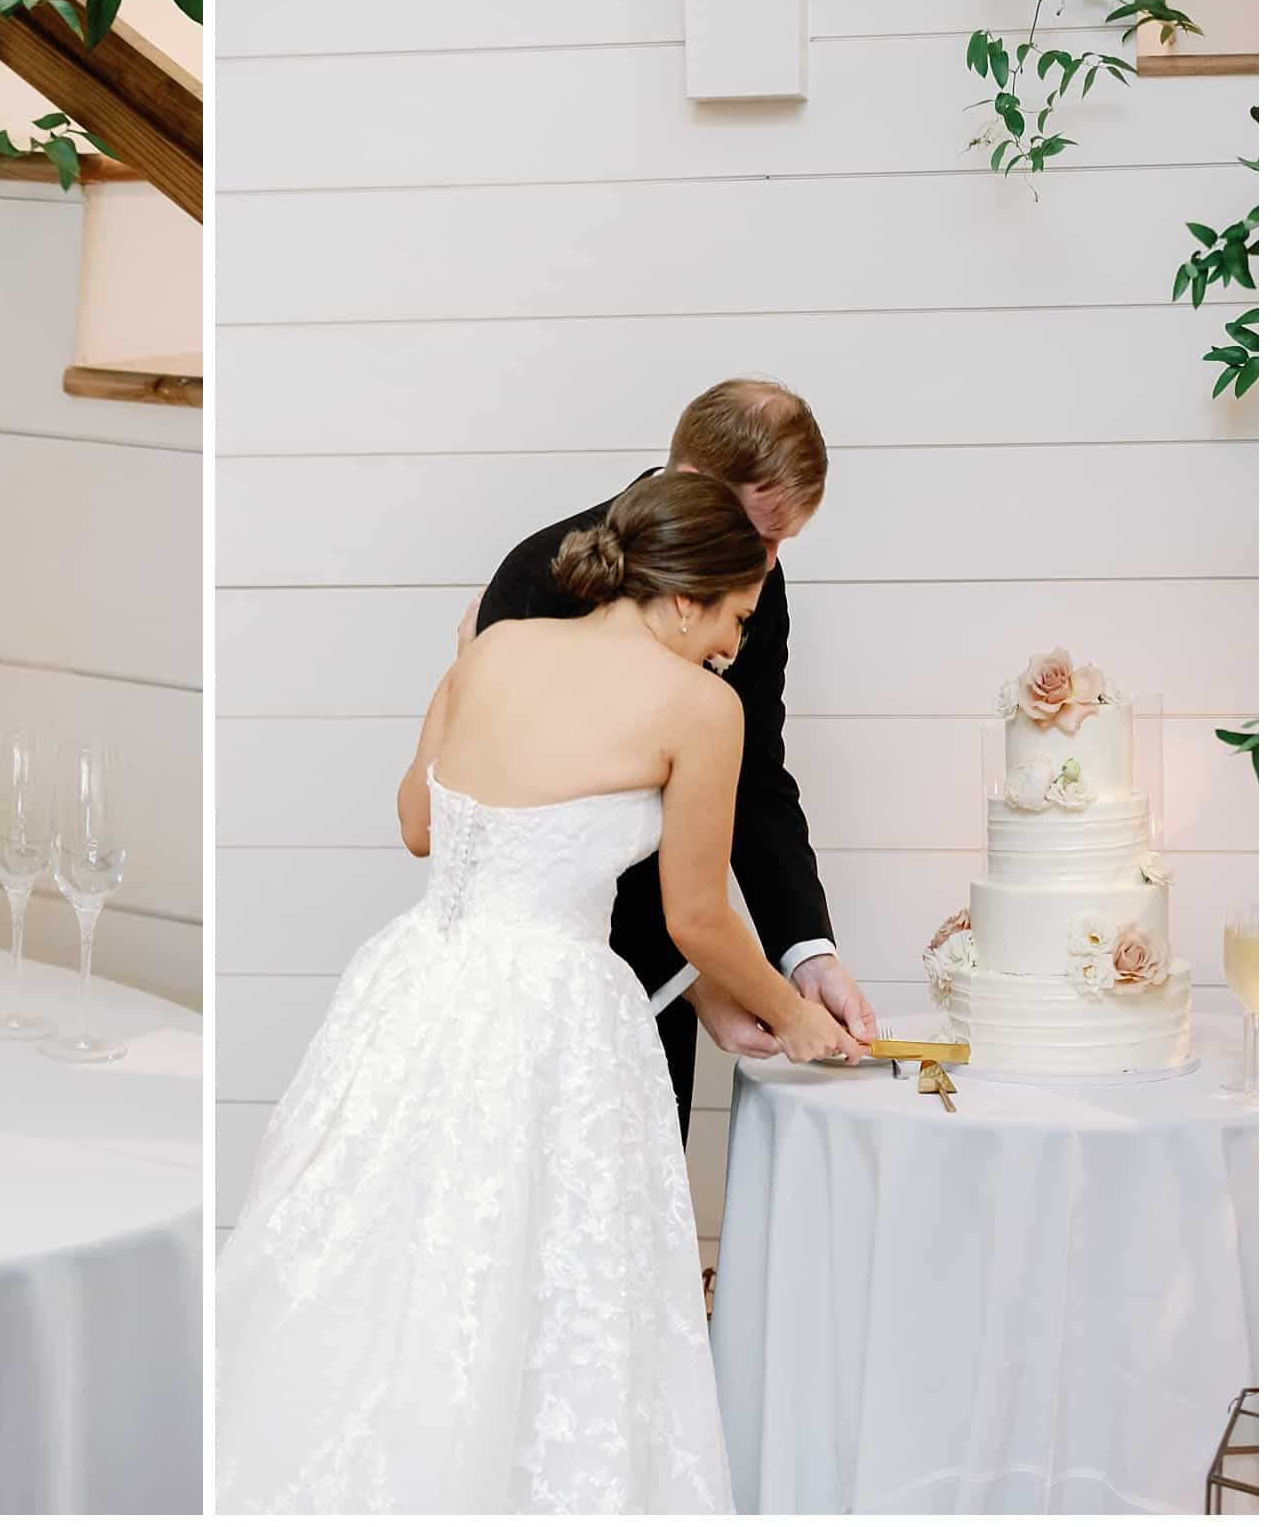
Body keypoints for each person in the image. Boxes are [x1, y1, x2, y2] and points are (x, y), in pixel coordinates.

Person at [216, 472, 867, 1513]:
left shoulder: (498, 648)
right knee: (546, 1295)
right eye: (738, 618)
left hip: (416, 980)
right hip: (553, 1018)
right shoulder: (700, 706)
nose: (734, 648)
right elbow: (696, 914)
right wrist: (800, 1020)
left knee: (391, 1267)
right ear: (690, 591)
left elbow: (419, 826)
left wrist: (455, 670)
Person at [470, 378, 877, 1144]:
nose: (767, 565)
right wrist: (700, 979)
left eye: (784, 543)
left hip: (663, 996)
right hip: (534, 995)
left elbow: (754, 775)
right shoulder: (535, 579)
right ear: (695, 486)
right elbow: (508, 836)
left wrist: (805, 951)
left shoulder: (762, 582)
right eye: (762, 535)